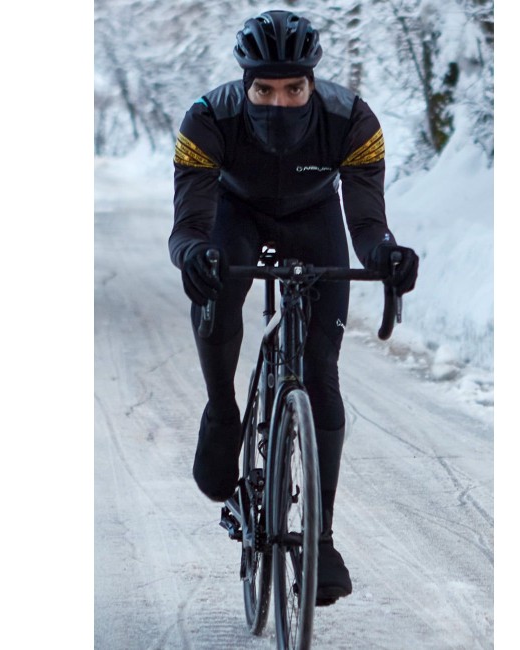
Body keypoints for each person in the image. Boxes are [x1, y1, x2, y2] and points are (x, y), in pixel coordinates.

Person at [169, 9, 419, 606]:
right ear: (245, 84)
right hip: (235, 215)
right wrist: (195, 255)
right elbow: (188, 227)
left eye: (293, 89)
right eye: (264, 90)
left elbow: (366, 221)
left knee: (321, 373)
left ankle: (321, 540)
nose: (278, 102)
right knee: (216, 290)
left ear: (312, 82)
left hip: (314, 216)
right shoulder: (207, 118)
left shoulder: (352, 120)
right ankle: (223, 412)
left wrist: (385, 254)